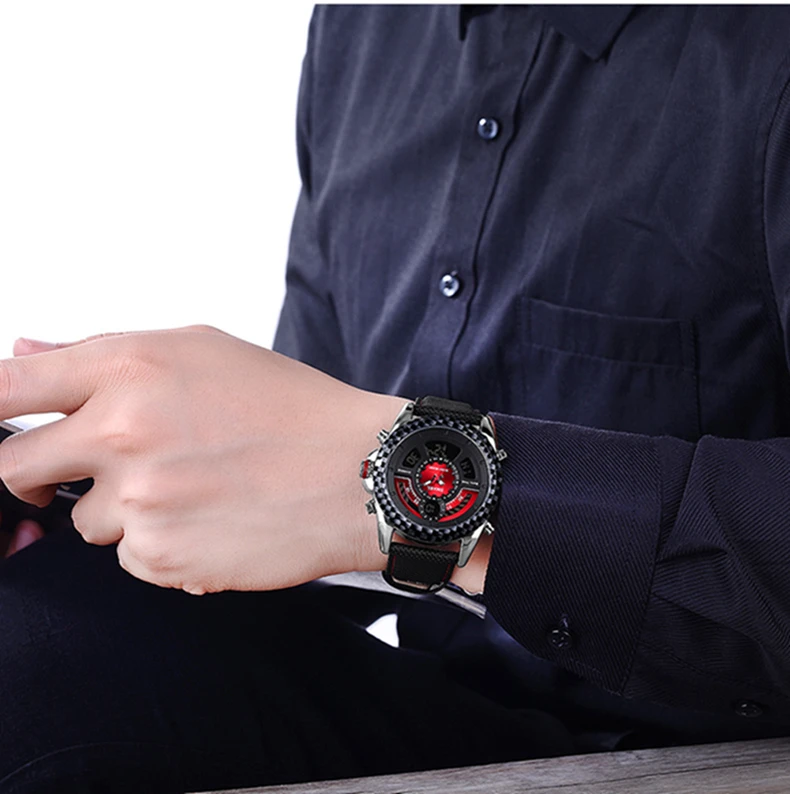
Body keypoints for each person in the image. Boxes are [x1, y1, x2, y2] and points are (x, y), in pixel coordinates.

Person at [2, 4, 790, 791]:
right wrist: (83, 488)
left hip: (715, 741)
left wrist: (405, 483)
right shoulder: (362, 25)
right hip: (448, 706)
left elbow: (343, 477)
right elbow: (301, 493)